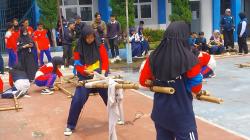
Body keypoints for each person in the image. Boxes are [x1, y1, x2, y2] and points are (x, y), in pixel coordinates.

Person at [139, 21, 202, 140]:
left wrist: (158, 80)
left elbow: (143, 81)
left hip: (160, 113)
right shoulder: (190, 59)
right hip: (181, 115)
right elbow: (196, 87)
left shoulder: (153, 57)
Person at [64, 26, 109, 136]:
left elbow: (105, 60)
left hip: (99, 76)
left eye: (92, 37)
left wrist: (103, 74)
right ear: (83, 38)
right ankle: (70, 125)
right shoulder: (78, 48)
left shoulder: (100, 45)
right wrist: (85, 72)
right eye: (87, 38)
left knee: (110, 96)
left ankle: (116, 116)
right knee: (77, 100)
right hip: (85, 77)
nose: (90, 40)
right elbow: (77, 64)